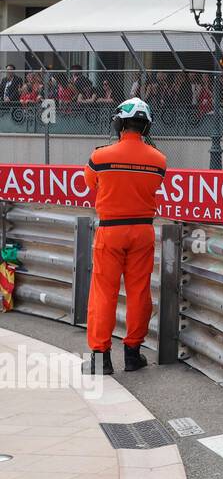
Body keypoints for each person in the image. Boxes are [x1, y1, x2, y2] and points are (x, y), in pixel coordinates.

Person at [82, 99, 167, 375]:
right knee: (139, 292)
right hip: (142, 230)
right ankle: (133, 354)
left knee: (103, 293)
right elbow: (155, 185)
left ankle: (100, 359)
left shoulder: (100, 156)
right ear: (146, 126)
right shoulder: (159, 160)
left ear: (118, 123)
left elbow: (90, 183)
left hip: (110, 230)